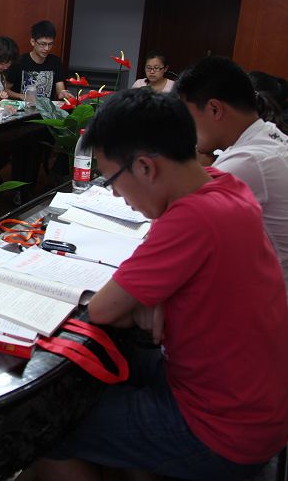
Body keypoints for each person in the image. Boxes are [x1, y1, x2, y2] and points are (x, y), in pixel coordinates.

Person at [32, 89, 288, 481]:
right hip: (256, 405)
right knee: (115, 368)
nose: (117, 194)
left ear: (145, 168)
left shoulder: (193, 218)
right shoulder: (223, 185)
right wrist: (148, 301)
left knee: (46, 428)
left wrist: (141, 302)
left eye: (113, 180)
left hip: (221, 429)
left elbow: (103, 310)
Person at [176, 56, 288, 286]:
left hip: (271, 297)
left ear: (215, 109)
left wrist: (195, 167)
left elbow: (176, 226)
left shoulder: (247, 161)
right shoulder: (268, 134)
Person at [5, 20, 73, 101]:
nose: (47, 48)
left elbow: (60, 90)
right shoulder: (19, 62)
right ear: (33, 42)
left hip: (46, 108)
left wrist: (64, 94)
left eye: (50, 44)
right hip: (23, 107)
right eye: (43, 44)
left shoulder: (55, 61)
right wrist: (21, 96)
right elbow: (5, 90)